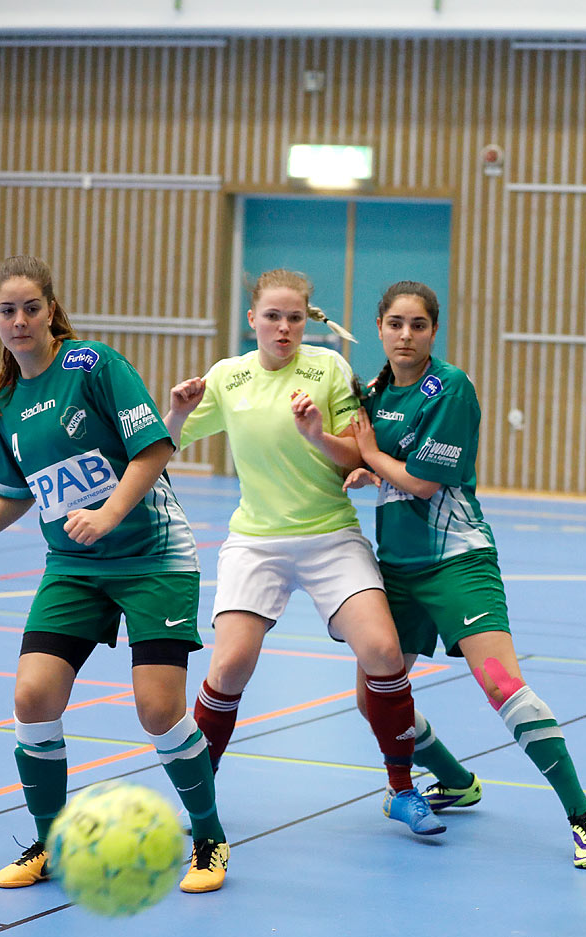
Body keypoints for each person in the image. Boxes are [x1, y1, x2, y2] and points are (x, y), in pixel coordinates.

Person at [0, 254, 229, 894]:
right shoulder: (7, 401)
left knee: (159, 710)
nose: (19, 321)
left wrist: (106, 515)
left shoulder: (93, 365)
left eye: (30, 308)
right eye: (6, 310)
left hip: (153, 557)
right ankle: (48, 841)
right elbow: (17, 492)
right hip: (74, 567)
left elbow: (154, 448)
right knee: (32, 697)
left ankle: (210, 838)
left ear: (51, 311)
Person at [164, 268, 458, 838]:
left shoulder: (328, 370)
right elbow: (166, 441)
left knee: (382, 650)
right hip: (257, 541)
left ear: (307, 321)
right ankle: (200, 793)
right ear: (252, 319)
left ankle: (401, 790)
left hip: (330, 535)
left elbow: (358, 457)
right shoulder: (228, 377)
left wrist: (316, 434)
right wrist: (177, 410)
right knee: (228, 666)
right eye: (272, 316)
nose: (283, 327)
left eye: (294, 317)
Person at [346, 280, 586, 867]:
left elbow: (422, 481)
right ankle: (455, 779)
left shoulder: (451, 388)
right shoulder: (375, 390)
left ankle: (582, 812)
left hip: (457, 561)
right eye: (395, 323)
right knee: (373, 700)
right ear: (380, 328)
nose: (406, 335)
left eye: (418, 324)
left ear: (433, 330)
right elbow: (388, 468)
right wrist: (367, 468)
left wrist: (370, 457)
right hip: (396, 570)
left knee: (500, 683)